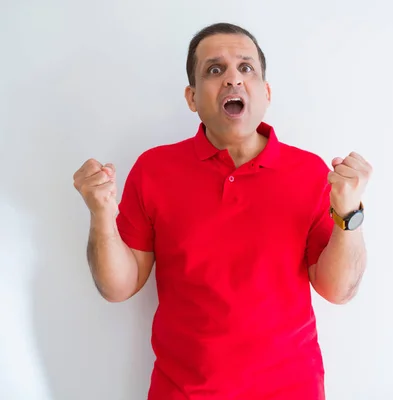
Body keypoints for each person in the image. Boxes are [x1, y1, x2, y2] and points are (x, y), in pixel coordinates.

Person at [72, 22, 372, 400]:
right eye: (215, 70)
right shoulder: (154, 170)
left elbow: (338, 291)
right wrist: (100, 213)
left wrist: (350, 212)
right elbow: (118, 287)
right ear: (192, 96)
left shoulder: (312, 173)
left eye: (246, 68)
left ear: (265, 92)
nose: (233, 78)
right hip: (181, 391)